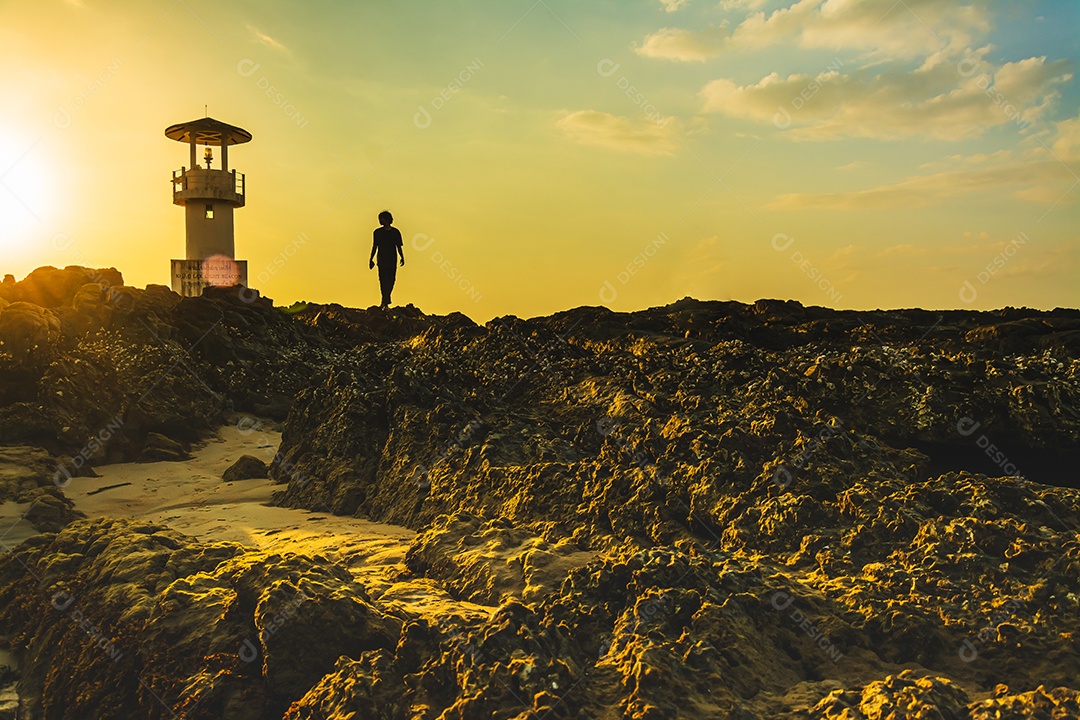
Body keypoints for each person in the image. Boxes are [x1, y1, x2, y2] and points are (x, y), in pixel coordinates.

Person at [369, 210, 405, 309]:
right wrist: (371, 259)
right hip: (382, 259)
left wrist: (402, 257)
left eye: (381, 219)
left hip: (392, 260)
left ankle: (385, 300)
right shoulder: (377, 232)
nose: (379, 221)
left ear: (387, 220)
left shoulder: (395, 232)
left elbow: (399, 246)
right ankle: (385, 301)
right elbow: (375, 246)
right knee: (383, 280)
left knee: (391, 280)